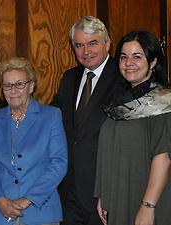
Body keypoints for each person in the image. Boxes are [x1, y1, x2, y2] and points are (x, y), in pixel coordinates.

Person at [94, 31, 171, 225]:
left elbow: (163, 158)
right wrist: (105, 195)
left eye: (137, 56)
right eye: (123, 57)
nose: (129, 63)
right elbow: (111, 150)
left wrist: (148, 206)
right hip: (119, 194)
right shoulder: (118, 101)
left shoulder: (163, 102)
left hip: (148, 197)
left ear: (153, 62)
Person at [0, 57, 67, 225]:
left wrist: (27, 200)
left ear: (31, 86)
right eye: (7, 85)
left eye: (19, 84)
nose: (13, 90)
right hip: (2, 214)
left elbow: (59, 163)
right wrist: (0, 201)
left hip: (42, 212)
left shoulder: (51, 116)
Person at [50, 16, 118, 225]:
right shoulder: (69, 78)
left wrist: (108, 190)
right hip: (69, 191)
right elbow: (52, 117)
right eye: (79, 45)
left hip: (105, 192)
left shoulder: (123, 77)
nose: (86, 51)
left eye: (92, 43)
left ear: (107, 43)